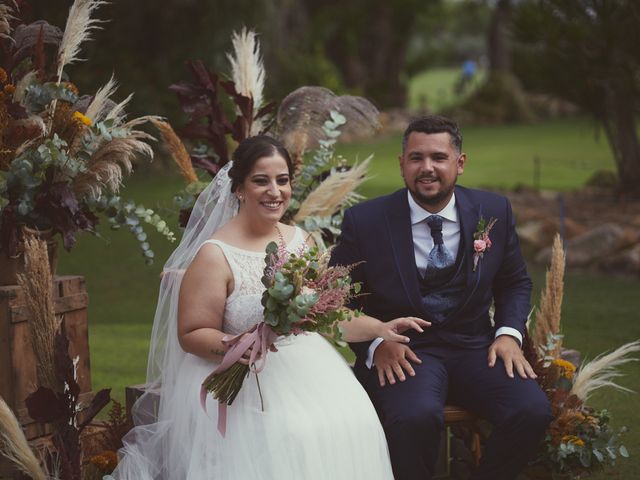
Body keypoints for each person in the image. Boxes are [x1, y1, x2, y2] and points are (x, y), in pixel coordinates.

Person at [112, 135, 428, 480]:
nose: (274, 191)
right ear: (239, 189)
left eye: (282, 180)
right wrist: (236, 347)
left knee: (353, 422)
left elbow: (327, 317)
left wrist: (380, 328)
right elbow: (191, 333)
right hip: (239, 377)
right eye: (261, 181)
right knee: (290, 437)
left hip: (306, 366)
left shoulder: (302, 241)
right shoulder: (215, 255)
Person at [331, 116, 552, 480]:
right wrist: (374, 345)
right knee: (415, 418)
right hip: (405, 351)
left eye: (439, 157)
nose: (427, 168)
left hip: (475, 348)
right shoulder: (366, 221)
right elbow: (338, 301)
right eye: (416, 158)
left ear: (460, 164)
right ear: (401, 164)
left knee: (531, 410)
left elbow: (514, 281)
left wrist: (509, 335)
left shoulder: (493, 211)